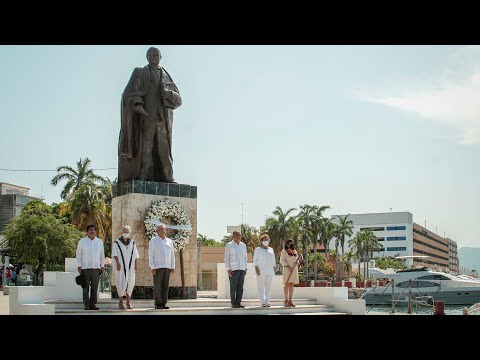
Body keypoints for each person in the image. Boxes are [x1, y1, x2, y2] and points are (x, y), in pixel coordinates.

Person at [118, 46, 182, 184]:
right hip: (147, 118)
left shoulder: (166, 75)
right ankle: (143, 176)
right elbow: (128, 94)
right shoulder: (141, 73)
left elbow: (179, 100)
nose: (154, 57)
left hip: (163, 120)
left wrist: (168, 94)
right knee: (146, 148)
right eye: (152, 55)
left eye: (157, 55)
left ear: (160, 57)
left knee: (164, 150)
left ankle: (168, 177)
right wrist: (137, 104)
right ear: (147, 57)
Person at [76, 224, 105, 310]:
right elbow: (78, 254)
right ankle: (86, 304)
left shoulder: (99, 241)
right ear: (87, 232)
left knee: (94, 287)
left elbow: (102, 255)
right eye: (90, 230)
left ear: (95, 231)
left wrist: (102, 265)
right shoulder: (82, 241)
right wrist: (79, 265)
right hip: (85, 268)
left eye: (93, 230)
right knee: (85, 287)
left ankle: (93, 304)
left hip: (96, 268)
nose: (92, 231)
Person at [112, 225, 140, 310]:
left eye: (127, 232)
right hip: (120, 267)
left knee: (130, 283)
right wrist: (118, 263)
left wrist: (135, 265)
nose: (126, 233)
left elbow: (135, 255)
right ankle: (120, 302)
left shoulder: (132, 242)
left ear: (129, 232)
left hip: (130, 267)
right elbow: (115, 254)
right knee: (120, 282)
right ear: (122, 232)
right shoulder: (117, 242)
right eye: (124, 231)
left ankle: (128, 302)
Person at [148, 223, 175, 309]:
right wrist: (152, 267)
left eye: (164, 229)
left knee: (165, 286)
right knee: (158, 286)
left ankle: (163, 303)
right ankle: (158, 304)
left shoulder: (169, 241)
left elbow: (172, 255)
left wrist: (172, 266)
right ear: (157, 231)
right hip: (158, 267)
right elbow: (150, 254)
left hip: (167, 267)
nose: (163, 230)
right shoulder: (153, 241)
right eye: (161, 229)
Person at [224, 230, 248, 308]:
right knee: (233, 287)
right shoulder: (229, 245)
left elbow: (245, 257)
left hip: (242, 269)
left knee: (240, 287)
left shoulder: (243, 245)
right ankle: (233, 303)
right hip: (233, 269)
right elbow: (226, 258)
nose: (239, 236)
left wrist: (245, 268)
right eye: (237, 235)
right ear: (233, 236)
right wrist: (228, 269)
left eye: (240, 235)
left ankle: (238, 302)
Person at [253, 234, 276, 307]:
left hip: (269, 270)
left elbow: (273, 260)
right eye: (265, 239)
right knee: (261, 286)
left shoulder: (271, 249)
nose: (266, 241)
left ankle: (267, 301)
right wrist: (256, 268)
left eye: (267, 239)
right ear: (261, 241)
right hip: (261, 270)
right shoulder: (258, 249)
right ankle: (262, 302)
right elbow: (255, 260)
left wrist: (274, 268)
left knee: (268, 286)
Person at [279, 239, 300, 307]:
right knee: (287, 283)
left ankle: (290, 300)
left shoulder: (295, 251)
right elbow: (282, 260)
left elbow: (296, 260)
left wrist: (297, 262)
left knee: (292, 284)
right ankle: (286, 300)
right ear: (287, 244)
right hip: (287, 269)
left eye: (293, 243)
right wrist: (288, 267)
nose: (292, 244)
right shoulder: (284, 251)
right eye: (291, 243)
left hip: (294, 269)